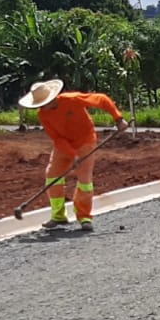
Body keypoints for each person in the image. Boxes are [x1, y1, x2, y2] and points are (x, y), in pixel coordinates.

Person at [20, 78, 128, 231]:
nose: (43, 107)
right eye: (40, 105)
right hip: (63, 145)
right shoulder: (43, 115)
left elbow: (102, 100)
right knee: (52, 176)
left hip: (85, 141)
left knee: (85, 181)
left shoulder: (72, 99)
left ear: (52, 97)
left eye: (44, 103)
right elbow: (57, 138)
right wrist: (72, 154)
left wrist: (118, 119)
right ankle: (58, 215)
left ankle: (84, 217)